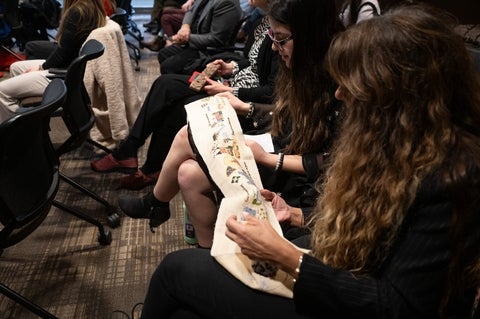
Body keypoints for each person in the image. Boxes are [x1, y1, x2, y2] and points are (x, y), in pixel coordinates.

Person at [137, 3, 480, 318]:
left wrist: (286, 256)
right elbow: (375, 225)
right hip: (348, 267)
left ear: (398, 95)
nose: (339, 94)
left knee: (175, 271)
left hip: (356, 295)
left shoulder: (452, 176)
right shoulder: (400, 143)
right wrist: (298, 215)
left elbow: (396, 305)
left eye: (352, 85)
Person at [116, 0, 344, 247]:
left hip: (292, 168)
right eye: (272, 37)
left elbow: (325, 158)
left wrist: (268, 154)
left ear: (309, 37)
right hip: (278, 145)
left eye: (280, 39)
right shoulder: (298, 70)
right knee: (187, 172)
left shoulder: (333, 85)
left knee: (186, 129)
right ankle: (205, 247)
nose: (276, 47)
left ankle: (155, 202)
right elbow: (282, 112)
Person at [91, 0, 278, 191]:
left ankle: (148, 167)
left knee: (178, 102)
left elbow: (271, 91)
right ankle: (131, 150)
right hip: (232, 83)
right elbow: (251, 63)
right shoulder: (263, 21)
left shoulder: (280, 34)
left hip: (242, 99)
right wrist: (231, 67)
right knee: (165, 84)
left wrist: (229, 91)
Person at [0, 0, 106, 122]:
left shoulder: (78, 11)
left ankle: (16, 132)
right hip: (69, 67)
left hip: (64, 75)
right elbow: (64, 51)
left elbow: (61, 54)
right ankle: (30, 122)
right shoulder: (91, 6)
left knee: (1, 91)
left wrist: (41, 67)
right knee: (15, 67)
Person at [156, 0, 243, 75]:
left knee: (168, 66)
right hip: (197, 43)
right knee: (163, 53)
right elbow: (191, 10)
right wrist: (185, 26)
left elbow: (216, 39)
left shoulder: (227, 3)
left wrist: (186, 38)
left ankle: (183, 87)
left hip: (210, 51)